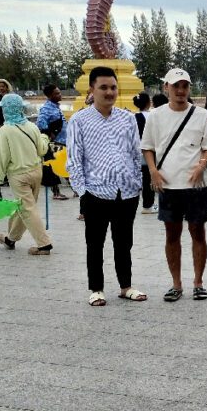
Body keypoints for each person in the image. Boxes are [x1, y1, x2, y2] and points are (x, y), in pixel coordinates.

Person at [67, 66, 148, 306]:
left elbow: (136, 153)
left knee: (124, 242)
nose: (109, 92)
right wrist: (83, 192)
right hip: (95, 192)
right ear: (92, 89)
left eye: (113, 87)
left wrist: (137, 182)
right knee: (95, 243)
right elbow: (74, 160)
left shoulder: (127, 118)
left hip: (127, 192)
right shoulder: (80, 120)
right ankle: (96, 288)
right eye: (103, 87)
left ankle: (126, 286)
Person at [142, 68, 207, 303]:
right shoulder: (155, 116)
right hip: (168, 184)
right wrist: (153, 171)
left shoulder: (202, 115)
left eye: (185, 86)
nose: (180, 90)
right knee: (171, 234)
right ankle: (176, 283)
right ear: (166, 87)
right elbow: (148, 147)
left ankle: (198, 282)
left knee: (198, 232)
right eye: (175, 86)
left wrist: (202, 165)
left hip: (196, 185)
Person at [0, 94, 53, 255]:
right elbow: (41, 150)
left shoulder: (5, 130)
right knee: (23, 207)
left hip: (19, 176)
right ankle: (10, 239)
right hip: (36, 172)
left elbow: (1, 157)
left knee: (28, 209)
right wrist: (44, 138)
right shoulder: (32, 126)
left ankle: (44, 244)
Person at [37, 84, 69, 201]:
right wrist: (50, 133)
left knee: (65, 165)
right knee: (54, 168)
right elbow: (41, 123)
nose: (60, 95)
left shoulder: (55, 107)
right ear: (50, 95)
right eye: (57, 93)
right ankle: (56, 192)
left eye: (59, 92)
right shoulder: (46, 109)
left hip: (63, 141)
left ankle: (75, 189)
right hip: (55, 144)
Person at [132, 92, 156, 214]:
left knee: (144, 179)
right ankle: (149, 205)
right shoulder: (153, 116)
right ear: (148, 102)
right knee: (150, 178)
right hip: (152, 151)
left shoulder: (133, 117)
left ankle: (147, 204)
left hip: (138, 152)